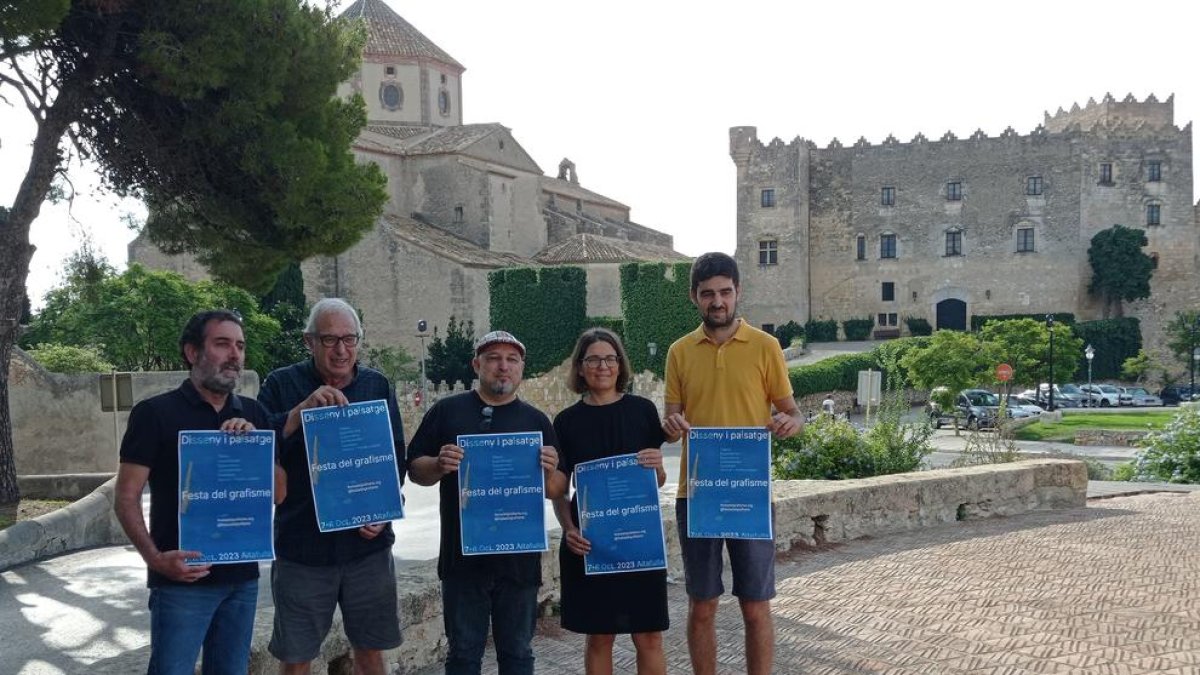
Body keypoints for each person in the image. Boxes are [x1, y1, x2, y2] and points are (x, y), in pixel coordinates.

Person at [660, 252, 803, 675]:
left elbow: (792, 412)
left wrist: (789, 423)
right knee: (701, 605)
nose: (717, 301)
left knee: (756, 605)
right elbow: (670, 423)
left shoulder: (766, 346)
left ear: (738, 291)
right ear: (694, 298)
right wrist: (671, 425)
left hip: (750, 493)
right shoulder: (679, 352)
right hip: (697, 494)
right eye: (708, 294)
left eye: (724, 291)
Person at [114, 309, 276, 675]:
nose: (234, 354)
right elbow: (125, 497)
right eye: (222, 344)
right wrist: (155, 560)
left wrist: (254, 450)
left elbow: (279, 493)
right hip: (182, 582)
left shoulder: (255, 414)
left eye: (240, 346)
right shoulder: (154, 413)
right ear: (192, 352)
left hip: (242, 580)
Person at [259, 298, 405, 675]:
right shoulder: (280, 383)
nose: (341, 350)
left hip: (366, 551)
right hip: (302, 551)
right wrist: (298, 413)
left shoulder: (376, 384)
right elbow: (256, 453)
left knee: (371, 654)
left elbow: (395, 457)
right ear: (309, 342)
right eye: (329, 340)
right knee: (296, 659)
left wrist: (383, 512)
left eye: (349, 339)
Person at [406, 330, 564, 675]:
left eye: (512, 360)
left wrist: (550, 470)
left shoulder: (536, 422)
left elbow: (556, 489)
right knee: (463, 655)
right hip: (463, 562)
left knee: (518, 655)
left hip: (519, 563)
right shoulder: (446, 412)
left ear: (522, 368)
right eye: (493, 358)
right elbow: (415, 469)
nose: (502, 367)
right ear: (477, 364)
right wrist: (437, 465)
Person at [551, 328, 667, 675]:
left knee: (648, 636)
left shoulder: (643, 411)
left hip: (639, 544)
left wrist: (658, 467)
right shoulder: (566, 421)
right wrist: (568, 528)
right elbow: (560, 487)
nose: (603, 366)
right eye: (593, 359)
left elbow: (655, 482)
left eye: (610, 358)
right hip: (590, 545)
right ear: (580, 368)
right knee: (599, 637)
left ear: (620, 365)